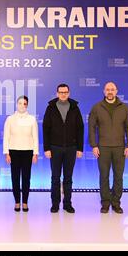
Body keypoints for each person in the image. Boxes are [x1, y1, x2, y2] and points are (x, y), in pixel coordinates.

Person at [88, 81, 128, 214]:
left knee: (118, 176)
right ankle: (105, 203)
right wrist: (94, 145)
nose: (110, 91)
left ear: (116, 91)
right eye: (107, 89)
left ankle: (116, 203)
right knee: (104, 176)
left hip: (120, 148)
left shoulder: (124, 108)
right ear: (104, 91)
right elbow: (91, 128)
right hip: (103, 148)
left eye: (112, 89)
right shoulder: (97, 107)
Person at [43, 83, 84, 213]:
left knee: (68, 178)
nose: (63, 94)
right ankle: (55, 204)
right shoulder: (50, 108)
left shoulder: (75, 108)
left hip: (71, 148)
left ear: (69, 93)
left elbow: (80, 129)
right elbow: (46, 129)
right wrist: (46, 148)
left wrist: (80, 148)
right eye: (61, 92)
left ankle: (67, 204)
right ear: (57, 93)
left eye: (65, 92)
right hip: (54, 148)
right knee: (55, 178)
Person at [3, 96, 38, 212]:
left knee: (26, 178)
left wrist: (35, 153)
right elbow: (6, 137)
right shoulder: (10, 119)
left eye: (24, 103)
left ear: (27, 105)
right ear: (16, 104)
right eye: (20, 103)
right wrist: (6, 152)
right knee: (15, 178)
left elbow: (35, 137)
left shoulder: (32, 119)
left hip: (28, 151)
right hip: (14, 151)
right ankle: (17, 201)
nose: (22, 105)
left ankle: (25, 202)